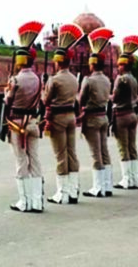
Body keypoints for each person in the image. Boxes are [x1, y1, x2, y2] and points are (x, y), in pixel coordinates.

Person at [3, 21, 45, 212]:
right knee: (34, 159)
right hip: (33, 122)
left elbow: (8, 102)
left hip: (17, 122)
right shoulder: (37, 79)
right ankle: (37, 201)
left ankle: (24, 201)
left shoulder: (16, 80)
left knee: (21, 160)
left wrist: (6, 93)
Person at [42, 23, 84, 204]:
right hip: (70, 117)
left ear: (58, 62)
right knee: (71, 153)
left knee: (60, 154)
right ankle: (74, 190)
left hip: (58, 117)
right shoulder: (74, 78)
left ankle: (63, 192)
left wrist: (46, 85)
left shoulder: (55, 79)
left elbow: (45, 100)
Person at [79, 27, 115, 197]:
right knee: (104, 151)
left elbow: (81, 100)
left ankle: (98, 187)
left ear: (92, 64)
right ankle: (107, 185)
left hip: (92, 117)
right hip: (104, 116)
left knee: (96, 153)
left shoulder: (89, 80)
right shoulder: (107, 80)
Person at [113, 36, 138, 190]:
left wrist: (109, 96)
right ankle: (135, 178)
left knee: (123, 147)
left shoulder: (121, 79)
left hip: (122, 114)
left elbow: (116, 97)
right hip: (132, 113)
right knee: (132, 146)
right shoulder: (134, 79)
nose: (118, 67)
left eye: (119, 65)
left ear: (123, 65)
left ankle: (127, 179)